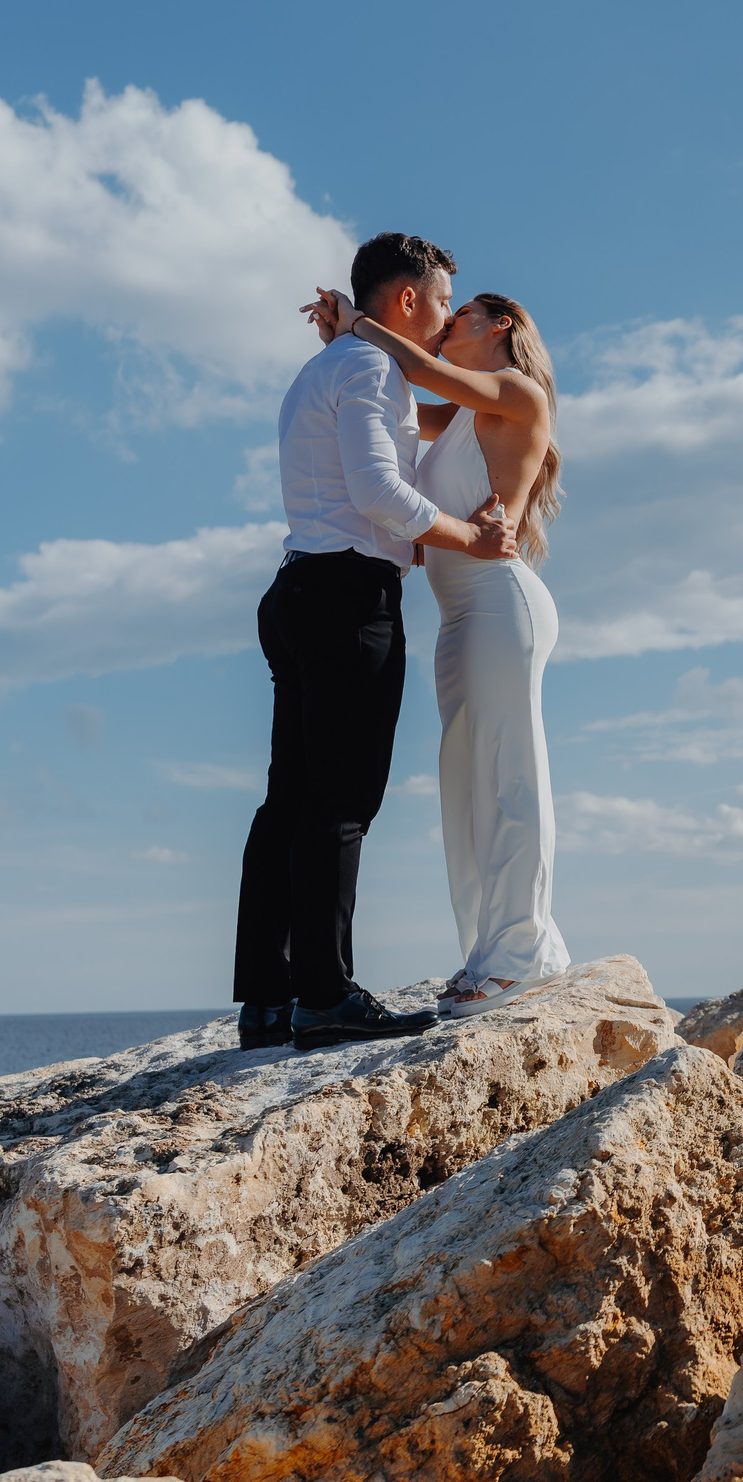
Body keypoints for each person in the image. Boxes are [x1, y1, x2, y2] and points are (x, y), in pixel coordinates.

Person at [236, 233, 521, 1053]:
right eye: (439, 301)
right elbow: (378, 491)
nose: (441, 316)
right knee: (341, 800)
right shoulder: (369, 369)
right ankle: (324, 996)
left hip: (297, 588)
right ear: (407, 300)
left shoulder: (325, 368)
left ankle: (267, 997)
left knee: (288, 798)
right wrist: (476, 538)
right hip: (343, 593)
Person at [306, 282, 572, 1018]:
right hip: (459, 617)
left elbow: (419, 373)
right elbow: (397, 402)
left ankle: (525, 952)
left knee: (512, 775)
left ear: (502, 324)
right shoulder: (459, 416)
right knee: (467, 785)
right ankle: (488, 952)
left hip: (500, 605)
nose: (444, 325)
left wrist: (362, 324)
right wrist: (343, 346)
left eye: (459, 317)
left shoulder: (515, 390)